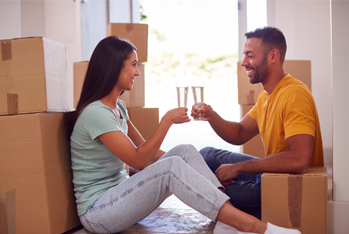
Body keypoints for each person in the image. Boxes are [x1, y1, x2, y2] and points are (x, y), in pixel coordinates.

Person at [69, 36, 302, 234]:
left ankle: (224, 217)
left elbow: (149, 152)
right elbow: (138, 159)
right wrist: (166, 122)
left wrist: (184, 164)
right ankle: (256, 227)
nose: (137, 72)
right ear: (113, 67)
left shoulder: (117, 107)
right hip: (99, 212)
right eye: (133, 65)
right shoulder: (95, 114)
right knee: (172, 166)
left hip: (121, 195)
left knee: (185, 151)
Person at [191, 26, 324, 224]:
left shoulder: (294, 94)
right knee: (206, 154)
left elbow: (299, 160)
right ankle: (215, 186)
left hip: (286, 187)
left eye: (249, 55)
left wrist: (237, 168)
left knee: (199, 185)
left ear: (273, 56)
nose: (244, 62)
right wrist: (210, 115)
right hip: (271, 175)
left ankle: (214, 189)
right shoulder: (266, 96)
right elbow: (239, 132)